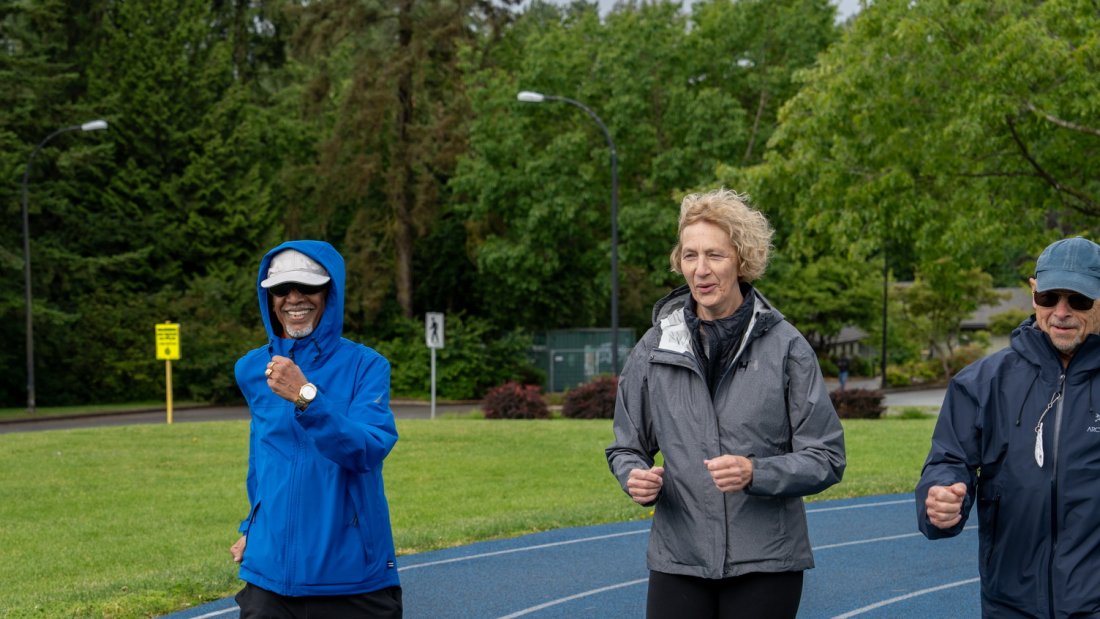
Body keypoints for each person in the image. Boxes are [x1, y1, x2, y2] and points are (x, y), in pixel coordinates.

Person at [606, 188, 846, 619]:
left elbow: (827, 457)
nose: (701, 270)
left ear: (742, 259)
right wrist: (634, 476)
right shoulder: (654, 346)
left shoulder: (787, 348)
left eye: (715, 255)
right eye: (690, 255)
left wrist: (757, 472)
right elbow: (626, 445)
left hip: (767, 562)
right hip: (679, 559)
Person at [916, 236, 1100, 618]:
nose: (1061, 312)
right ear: (1034, 293)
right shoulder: (980, 382)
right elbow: (948, 462)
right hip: (1010, 604)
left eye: (1079, 300)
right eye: (1049, 298)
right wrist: (940, 498)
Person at [229, 240, 402, 618]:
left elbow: (367, 450)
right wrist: (252, 526)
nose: (294, 298)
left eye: (307, 287)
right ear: (269, 298)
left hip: (350, 577)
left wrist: (306, 397)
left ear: (330, 292)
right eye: (281, 289)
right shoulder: (251, 369)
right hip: (269, 575)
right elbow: (263, 456)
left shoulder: (367, 366)